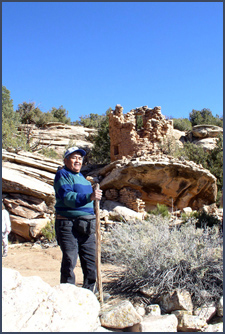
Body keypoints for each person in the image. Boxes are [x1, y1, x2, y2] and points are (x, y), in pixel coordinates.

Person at [54, 146, 102, 292]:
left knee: (90, 260)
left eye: (80, 158)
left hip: (87, 225)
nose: (77, 161)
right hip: (68, 223)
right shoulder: (63, 174)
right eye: (74, 157)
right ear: (66, 160)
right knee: (70, 259)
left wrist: (94, 199)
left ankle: (90, 293)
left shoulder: (84, 180)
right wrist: (90, 196)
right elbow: (68, 198)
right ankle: (68, 294)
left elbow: (89, 202)